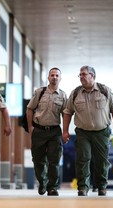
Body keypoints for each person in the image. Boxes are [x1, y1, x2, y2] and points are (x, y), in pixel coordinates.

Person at [62, 65, 113, 196]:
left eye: (83, 74)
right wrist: (65, 131)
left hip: (102, 132)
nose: (81, 77)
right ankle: (83, 187)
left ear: (92, 76)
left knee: (102, 160)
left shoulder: (105, 90)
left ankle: (101, 187)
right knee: (83, 159)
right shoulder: (76, 93)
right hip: (83, 132)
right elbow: (67, 112)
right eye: (80, 75)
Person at [26, 67, 67, 196]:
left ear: (60, 78)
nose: (54, 77)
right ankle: (42, 182)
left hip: (55, 131)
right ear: (48, 77)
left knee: (54, 161)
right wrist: (30, 128)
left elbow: (66, 114)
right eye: (52, 75)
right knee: (38, 160)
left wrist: (65, 131)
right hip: (39, 130)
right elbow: (30, 109)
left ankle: (52, 187)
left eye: (57, 75)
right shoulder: (39, 92)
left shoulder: (63, 95)